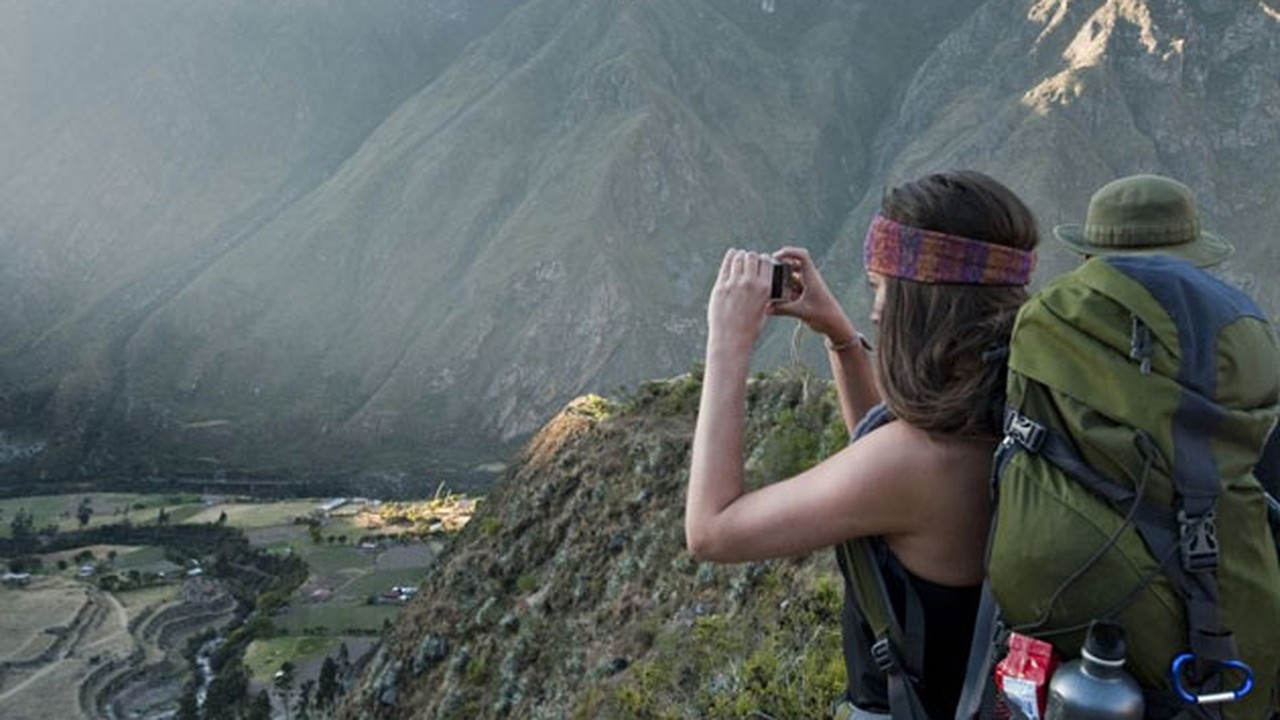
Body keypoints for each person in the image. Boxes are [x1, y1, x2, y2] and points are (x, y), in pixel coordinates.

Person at [684, 170, 1040, 719]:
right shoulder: (1009, 409)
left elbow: (712, 531)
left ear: (921, 303)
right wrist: (840, 336)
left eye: (879, 286)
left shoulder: (920, 461)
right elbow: (876, 444)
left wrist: (728, 342)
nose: (874, 309)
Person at [1053, 172, 1280, 497]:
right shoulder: (1241, 330)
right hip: (1218, 519)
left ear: (1088, 258)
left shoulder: (1050, 325)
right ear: (1194, 261)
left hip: (1071, 518)